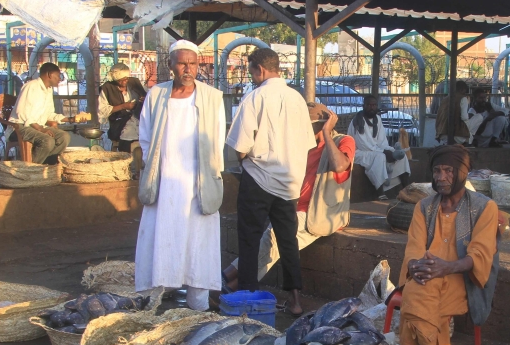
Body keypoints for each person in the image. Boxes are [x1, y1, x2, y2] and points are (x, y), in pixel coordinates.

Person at [223, 103, 356, 314]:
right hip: (291, 207)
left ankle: (229, 280)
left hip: (319, 213)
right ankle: (235, 285)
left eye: (310, 126)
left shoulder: (342, 141)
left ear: (322, 125)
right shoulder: (299, 144)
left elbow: (339, 166)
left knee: (274, 237)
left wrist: (326, 134)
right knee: (275, 240)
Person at [398, 145, 499, 345]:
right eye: (436, 171)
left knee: (416, 296)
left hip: (462, 281)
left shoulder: (485, 207)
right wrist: (415, 264)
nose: (441, 178)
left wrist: (446, 267)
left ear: (462, 174)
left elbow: (480, 254)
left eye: (448, 172)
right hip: (427, 275)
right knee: (420, 288)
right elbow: (413, 247)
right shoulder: (424, 207)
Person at [135, 40, 226, 310]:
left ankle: (198, 305)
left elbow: (217, 141)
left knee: (198, 241)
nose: (188, 69)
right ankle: (154, 302)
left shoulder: (211, 97)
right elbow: (146, 138)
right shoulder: (156, 95)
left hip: (198, 181)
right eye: (182, 63)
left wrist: (211, 179)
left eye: (193, 63)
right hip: (164, 180)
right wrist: (157, 171)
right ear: (170, 66)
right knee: (160, 236)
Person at [227, 47, 316, 308]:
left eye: (251, 70)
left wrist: (244, 161)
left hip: (259, 178)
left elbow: (240, 146)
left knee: (249, 239)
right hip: (289, 182)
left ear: (260, 69)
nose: (251, 76)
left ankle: (248, 297)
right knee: (288, 241)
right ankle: (295, 299)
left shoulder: (255, 98)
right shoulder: (297, 99)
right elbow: (308, 144)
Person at [9, 62, 81, 164]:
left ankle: (48, 166)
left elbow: (49, 114)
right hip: (20, 127)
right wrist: (40, 129)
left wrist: (70, 119)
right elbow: (22, 113)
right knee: (47, 141)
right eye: (58, 76)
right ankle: (31, 169)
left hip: (38, 126)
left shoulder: (48, 90)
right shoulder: (31, 86)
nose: (60, 79)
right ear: (49, 75)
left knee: (64, 137)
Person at [348, 95, 410, 200]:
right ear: (364, 106)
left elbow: (382, 141)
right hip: (359, 152)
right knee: (380, 157)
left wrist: (390, 151)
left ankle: (407, 190)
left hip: (375, 150)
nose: (371, 107)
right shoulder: (357, 121)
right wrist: (384, 152)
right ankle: (380, 193)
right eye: (369, 105)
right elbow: (363, 145)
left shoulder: (378, 120)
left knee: (401, 157)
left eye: (374, 105)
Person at [98, 62, 146, 156]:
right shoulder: (107, 88)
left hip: (139, 120)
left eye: (126, 79)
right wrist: (123, 106)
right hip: (119, 123)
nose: (125, 81)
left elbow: (148, 96)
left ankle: (141, 164)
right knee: (127, 138)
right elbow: (102, 111)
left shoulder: (134, 83)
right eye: (121, 80)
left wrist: (145, 99)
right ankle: (127, 161)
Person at [435, 80, 484, 145]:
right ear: (462, 89)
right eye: (465, 92)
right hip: (456, 134)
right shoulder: (462, 98)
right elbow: (464, 118)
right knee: (479, 117)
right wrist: (469, 118)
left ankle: (467, 138)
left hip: (442, 134)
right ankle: (467, 139)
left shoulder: (445, 99)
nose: (465, 94)